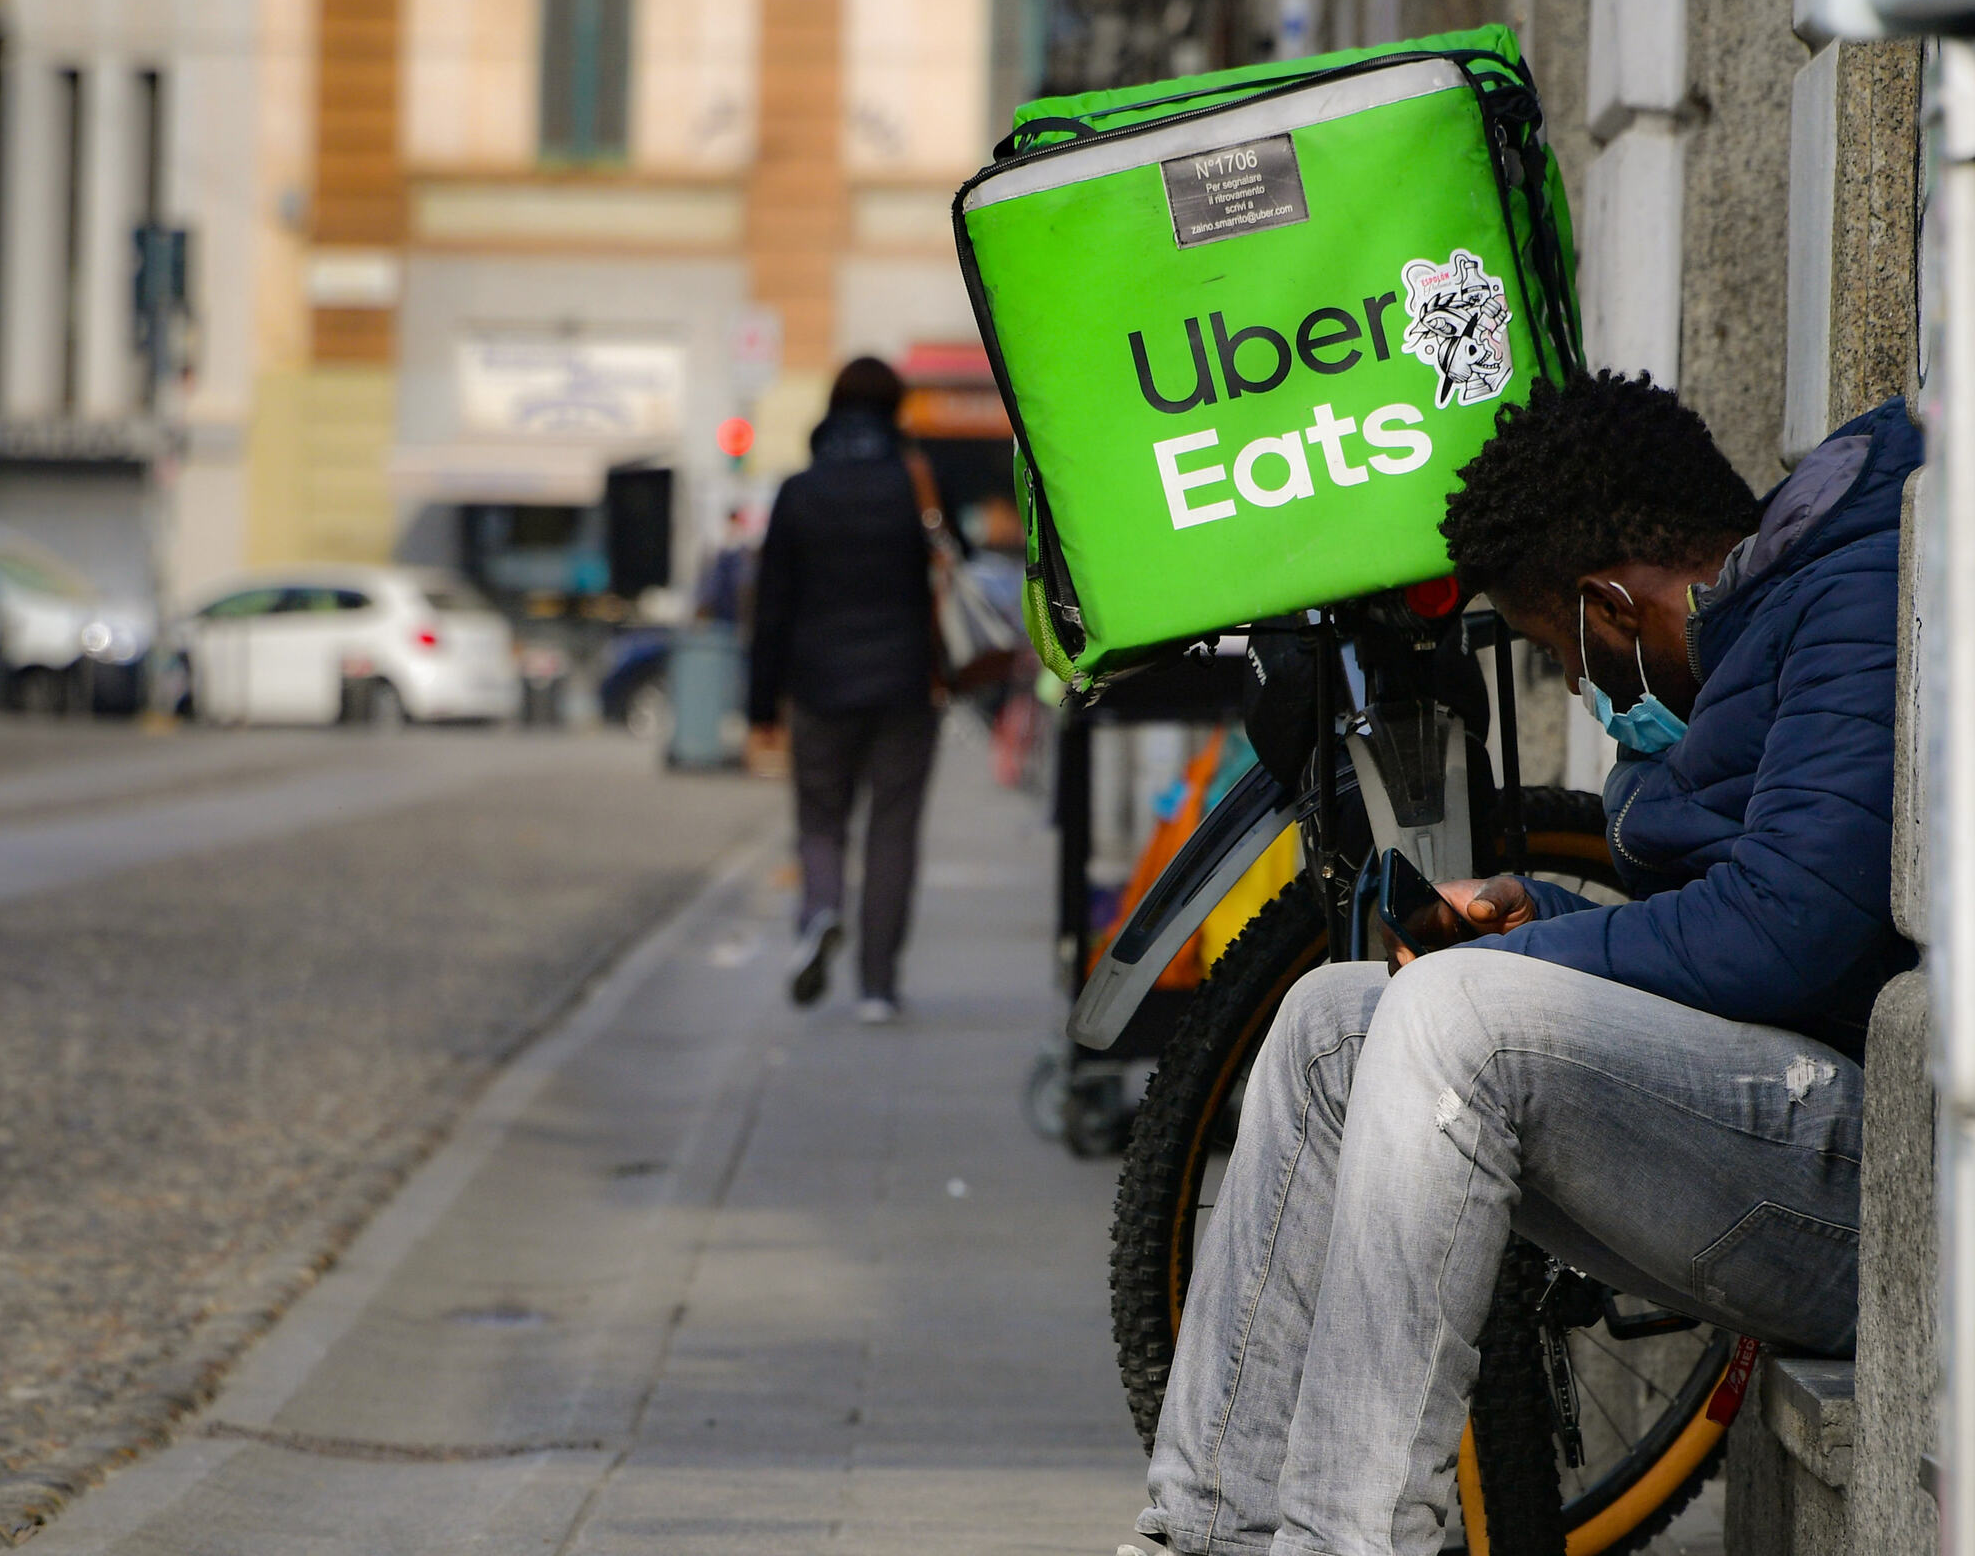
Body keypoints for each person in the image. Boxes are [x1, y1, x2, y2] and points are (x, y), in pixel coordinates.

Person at [1130, 372, 1918, 1556]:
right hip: (1791, 1117)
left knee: (1452, 1022)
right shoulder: (1765, 621)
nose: (1591, 696)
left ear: (1608, 605)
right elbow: (1757, 914)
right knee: (1335, 1018)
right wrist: (1533, 913)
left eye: (1562, 657)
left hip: (1888, 1189)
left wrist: (1534, 954)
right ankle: (1201, 1536)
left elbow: (1783, 932)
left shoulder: (1855, 599)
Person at [747, 356, 943, 1024]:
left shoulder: (800, 491)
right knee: (893, 829)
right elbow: (950, 574)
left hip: (820, 683)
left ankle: (821, 908)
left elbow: (771, 603)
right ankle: (878, 988)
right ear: (895, 410)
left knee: (821, 820)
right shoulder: (911, 484)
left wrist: (760, 704)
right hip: (906, 684)